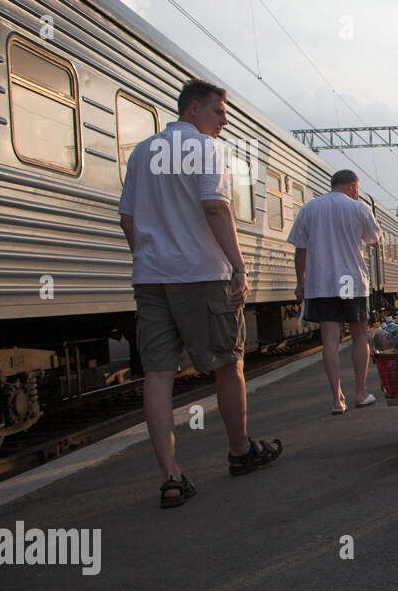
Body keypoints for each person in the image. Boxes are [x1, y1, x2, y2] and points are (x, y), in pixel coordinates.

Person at [118, 78, 282, 507]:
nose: (224, 122)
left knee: (157, 374)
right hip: (200, 274)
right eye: (218, 112)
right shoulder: (205, 148)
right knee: (229, 363)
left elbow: (128, 219)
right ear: (193, 109)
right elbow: (214, 206)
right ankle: (240, 450)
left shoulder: (140, 152)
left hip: (151, 278)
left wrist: (151, 256)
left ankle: (171, 477)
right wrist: (239, 265)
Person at [288, 169, 381, 414]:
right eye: (357, 189)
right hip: (351, 280)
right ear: (352, 187)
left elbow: (300, 249)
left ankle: (337, 399)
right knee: (359, 336)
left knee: (329, 340)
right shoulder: (359, 208)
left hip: (322, 282)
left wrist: (301, 282)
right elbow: (374, 239)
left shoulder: (309, 208)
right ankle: (360, 393)